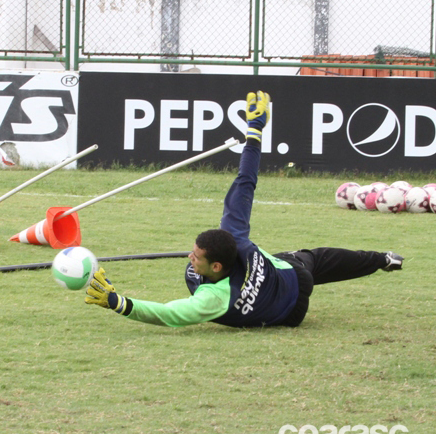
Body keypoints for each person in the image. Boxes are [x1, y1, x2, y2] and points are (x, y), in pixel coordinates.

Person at [84, 90, 403, 328]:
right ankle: (383, 260)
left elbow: (170, 314)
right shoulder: (232, 231)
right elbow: (245, 180)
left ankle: (380, 259)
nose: (190, 257)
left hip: (291, 310)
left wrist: (119, 303)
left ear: (218, 267)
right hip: (285, 273)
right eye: (193, 251)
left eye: (196, 256)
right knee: (314, 258)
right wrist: (255, 130)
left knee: (316, 259)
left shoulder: (214, 298)